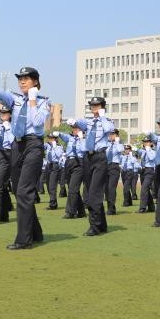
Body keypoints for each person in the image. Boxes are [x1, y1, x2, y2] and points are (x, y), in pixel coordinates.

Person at [0, 66, 50, 249]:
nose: (22, 81)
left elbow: (36, 122)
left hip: (34, 144)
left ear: (35, 81)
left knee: (24, 192)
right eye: (20, 78)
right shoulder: (16, 99)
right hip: (17, 145)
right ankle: (36, 233)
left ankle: (24, 239)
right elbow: (4, 96)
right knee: (19, 191)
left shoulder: (44, 102)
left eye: (26, 78)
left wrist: (33, 100)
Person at [68, 97, 114, 236]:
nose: (94, 107)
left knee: (94, 194)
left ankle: (94, 226)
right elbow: (79, 123)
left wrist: (102, 116)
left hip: (100, 157)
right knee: (89, 192)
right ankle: (102, 225)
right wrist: (74, 121)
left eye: (97, 105)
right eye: (92, 105)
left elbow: (109, 130)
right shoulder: (88, 121)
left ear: (102, 107)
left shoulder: (107, 121)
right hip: (87, 157)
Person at [58, 123, 86, 219]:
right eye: (73, 128)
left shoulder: (85, 139)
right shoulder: (70, 138)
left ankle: (70, 212)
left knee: (73, 188)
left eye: (77, 128)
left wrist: (81, 138)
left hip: (79, 162)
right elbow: (63, 136)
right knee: (72, 188)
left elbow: (84, 149)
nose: (74, 130)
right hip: (69, 162)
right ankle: (81, 211)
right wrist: (58, 133)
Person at [104, 128, 123, 215]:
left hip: (114, 166)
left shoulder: (119, 144)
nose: (111, 136)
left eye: (113, 134)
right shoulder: (106, 144)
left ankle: (111, 209)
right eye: (110, 134)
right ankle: (110, 207)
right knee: (106, 189)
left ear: (117, 136)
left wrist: (117, 142)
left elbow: (119, 150)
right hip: (106, 166)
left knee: (111, 188)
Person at [137, 136, 156, 214]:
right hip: (143, 170)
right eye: (144, 142)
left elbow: (151, 158)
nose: (146, 144)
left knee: (144, 189)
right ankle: (151, 207)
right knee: (146, 189)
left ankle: (142, 208)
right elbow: (138, 152)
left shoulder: (153, 151)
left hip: (150, 170)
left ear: (151, 143)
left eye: (147, 142)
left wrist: (148, 149)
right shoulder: (143, 151)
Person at [46, 133, 63, 211]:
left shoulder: (59, 147)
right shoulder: (47, 146)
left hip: (55, 166)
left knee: (52, 186)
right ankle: (53, 201)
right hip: (48, 165)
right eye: (49, 138)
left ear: (56, 139)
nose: (50, 139)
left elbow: (59, 155)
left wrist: (55, 146)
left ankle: (53, 204)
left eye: (52, 138)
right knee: (48, 185)